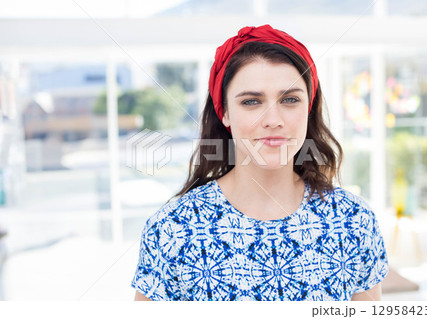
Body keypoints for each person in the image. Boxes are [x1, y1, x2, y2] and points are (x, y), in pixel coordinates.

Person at [131, 24, 389, 301]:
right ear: (225, 113)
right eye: (252, 102)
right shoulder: (173, 229)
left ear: (309, 109)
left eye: (290, 99)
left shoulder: (353, 220)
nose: (273, 119)